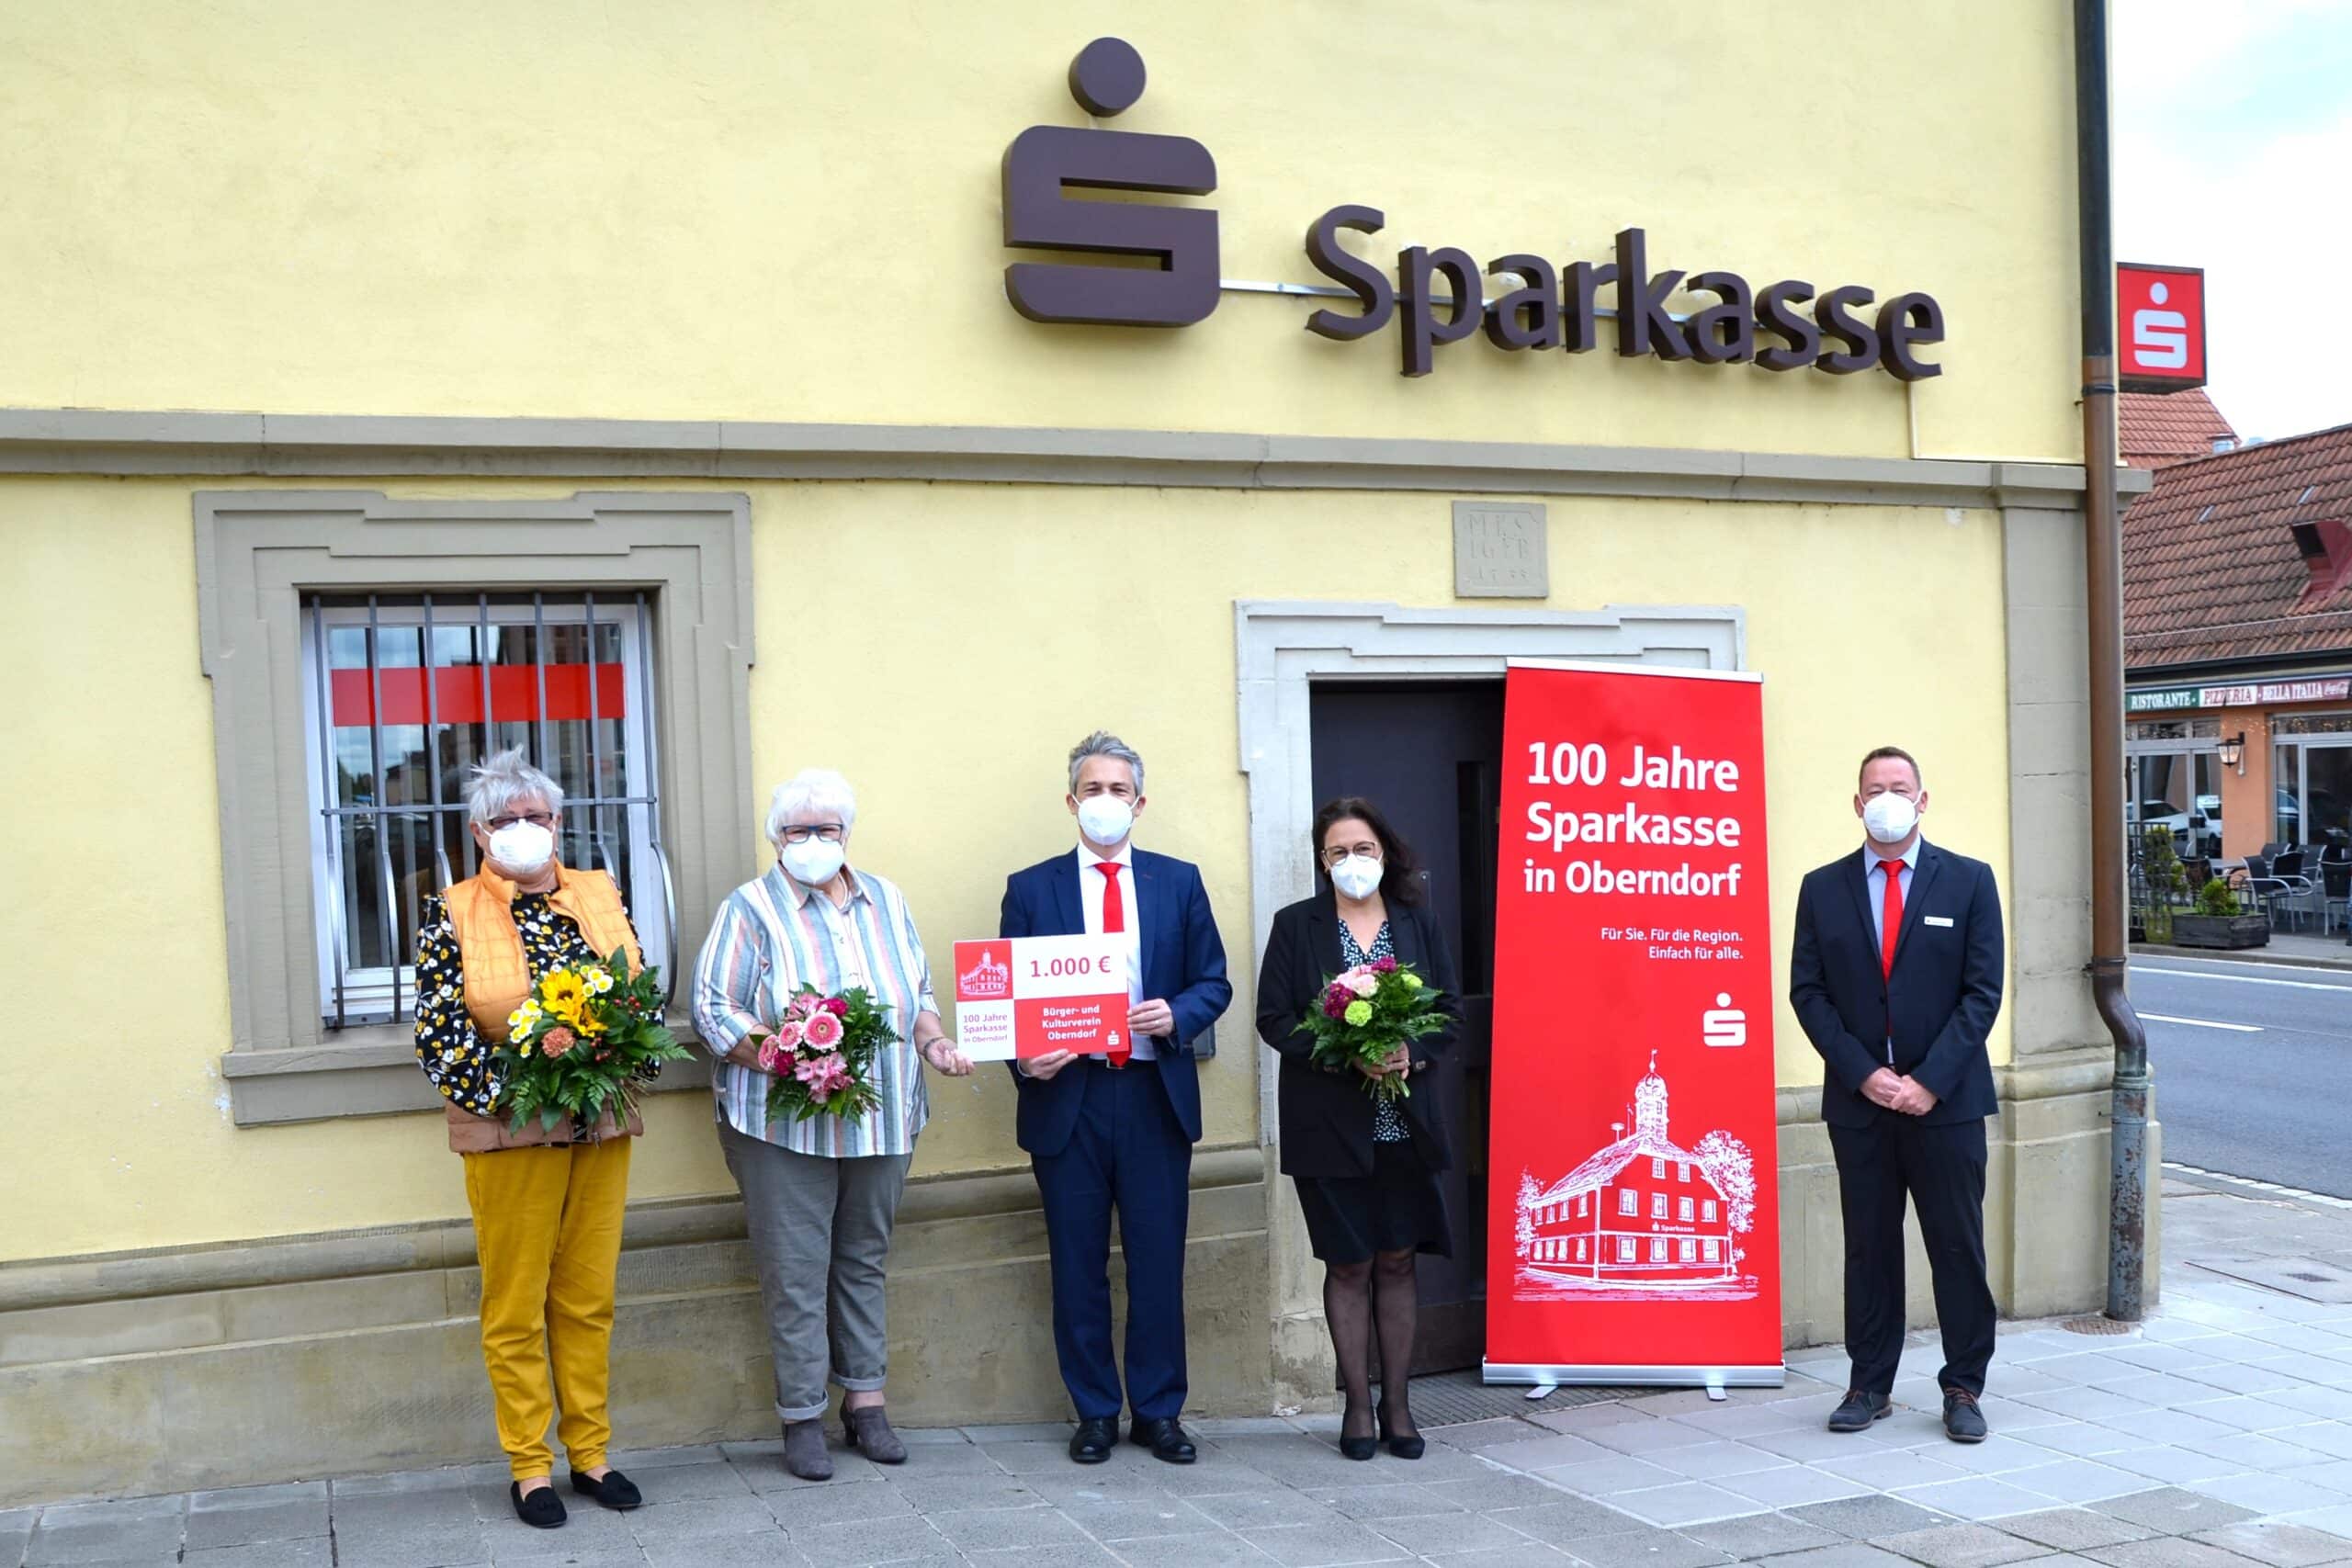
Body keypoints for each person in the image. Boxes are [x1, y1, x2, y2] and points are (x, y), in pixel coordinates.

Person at [692, 769, 973, 1481]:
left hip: (883, 1116)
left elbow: (918, 990)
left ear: (846, 833)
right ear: (776, 837)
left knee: (864, 1257)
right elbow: (712, 1006)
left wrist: (934, 1041)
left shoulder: (887, 899)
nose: (813, 841)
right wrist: (780, 1053)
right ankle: (800, 1414)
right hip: (785, 1127)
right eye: (798, 829)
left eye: (826, 828)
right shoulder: (750, 908)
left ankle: (867, 1402)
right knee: (795, 1270)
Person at [412, 748, 651, 1530]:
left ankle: (592, 1452)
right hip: (511, 1135)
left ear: (559, 822)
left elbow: (637, 996)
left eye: (536, 816)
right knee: (516, 1305)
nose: (523, 829)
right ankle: (528, 1464)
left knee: (587, 1298)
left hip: (601, 1123)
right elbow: (441, 1035)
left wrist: (616, 1051)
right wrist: (529, 1095)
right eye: (505, 819)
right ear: (480, 832)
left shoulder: (599, 892)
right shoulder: (451, 909)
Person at [1000, 731, 1232, 1464]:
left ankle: (1159, 1411)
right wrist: (1024, 1059)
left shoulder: (1179, 880)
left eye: (1119, 790)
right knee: (1077, 1265)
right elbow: (1005, 1001)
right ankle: (1095, 1410)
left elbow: (1214, 981)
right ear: (1072, 801)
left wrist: (1179, 1016)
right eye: (1092, 790)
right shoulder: (1031, 888)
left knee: (1158, 1261)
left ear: (1140, 801)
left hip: (1152, 1094)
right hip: (1068, 1099)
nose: (1106, 802)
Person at [1790, 746, 2005, 1444]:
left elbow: (1982, 993)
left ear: (1922, 799)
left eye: (1900, 786)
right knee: (1870, 1248)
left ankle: (1964, 1384)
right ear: (1857, 804)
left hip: (1946, 1105)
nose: (1888, 797)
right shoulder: (1821, 888)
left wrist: (1927, 1081)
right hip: (1861, 1107)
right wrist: (1863, 1073)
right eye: (1875, 788)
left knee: (1957, 1248)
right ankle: (1869, 1383)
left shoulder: (1969, 882)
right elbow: (1809, 992)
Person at [1256, 797, 1459, 1461]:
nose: (1352, 862)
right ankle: (1354, 1406)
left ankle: (1398, 1404)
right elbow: (1274, 1017)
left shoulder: (1418, 925)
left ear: (1385, 853)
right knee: (1349, 1263)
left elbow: (1451, 1014)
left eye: (1362, 849)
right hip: (1329, 1125)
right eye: (1338, 851)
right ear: (1323, 861)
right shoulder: (1296, 926)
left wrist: (1411, 1052)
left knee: (1397, 1259)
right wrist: (1345, 1052)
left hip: (1404, 1123)